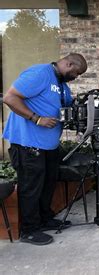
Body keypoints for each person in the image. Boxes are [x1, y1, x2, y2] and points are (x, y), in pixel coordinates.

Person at [3, 53, 87, 246]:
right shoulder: (40, 73)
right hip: (28, 143)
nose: (77, 77)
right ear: (68, 63)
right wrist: (36, 118)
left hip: (49, 145)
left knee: (48, 183)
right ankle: (29, 230)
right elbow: (9, 97)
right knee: (31, 188)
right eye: (77, 73)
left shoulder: (61, 86)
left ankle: (44, 219)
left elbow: (68, 108)